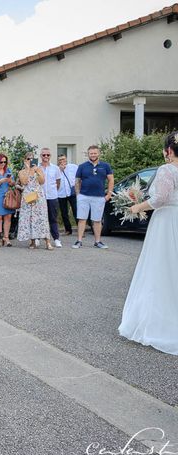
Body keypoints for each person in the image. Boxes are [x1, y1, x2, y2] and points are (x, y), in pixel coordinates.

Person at [118, 131, 178, 354]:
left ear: (168, 151)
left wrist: (136, 207)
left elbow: (160, 199)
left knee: (161, 268)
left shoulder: (167, 169)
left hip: (166, 222)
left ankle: (160, 322)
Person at [72, 145, 114, 249]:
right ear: (88, 154)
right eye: (91, 153)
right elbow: (77, 181)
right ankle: (79, 241)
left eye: (95, 153)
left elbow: (111, 180)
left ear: (99, 153)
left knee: (97, 220)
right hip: (84, 196)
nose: (93, 155)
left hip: (99, 197)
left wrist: (109, 194)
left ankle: (98, 242)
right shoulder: (82, 166)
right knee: (82, 219)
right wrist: (78, 195)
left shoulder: (105, 166)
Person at [16, 153, 52, 249]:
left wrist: (37, 171)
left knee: (42, 218)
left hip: (38, 196)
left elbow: (42, 181)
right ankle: (32, 242)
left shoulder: (39, 169)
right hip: (27, 196)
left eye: (32, 159)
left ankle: (48, 242)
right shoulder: (22, 172)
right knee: (30, 218)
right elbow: (24, 182)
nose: (30, 161)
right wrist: (28, 169)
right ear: (25, 160)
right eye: (28, 159)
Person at [40, 148, 62, 248]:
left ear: (50, 156)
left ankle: (56, 239)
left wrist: (54, 191)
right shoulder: (37, 168)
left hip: (52, 197)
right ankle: (38, 239)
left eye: (48, 155)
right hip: (40, 197)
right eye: (44, 155)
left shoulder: (55, 168)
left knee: (53, 218)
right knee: (40, 219)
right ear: (41, 156)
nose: (46, 157)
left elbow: (58, 182)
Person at [57, 154, 78, 235]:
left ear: (66, 159)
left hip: (72, 192)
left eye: (63, 159)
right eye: (60, 160)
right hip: (61, 193)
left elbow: (79, 178)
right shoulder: (56, 169)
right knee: (64, 213)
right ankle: (68, 230)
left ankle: (80, 229)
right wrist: (60, 170)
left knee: (76, 211)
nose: (62, 161)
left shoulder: (73, 167)